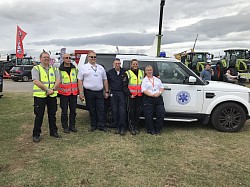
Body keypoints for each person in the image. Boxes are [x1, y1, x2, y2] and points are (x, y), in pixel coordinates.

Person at [32, 51, 61, 143]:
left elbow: (58, 80)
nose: (46, 59)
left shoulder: (55, 69)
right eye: (44, 57)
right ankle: (36, 134)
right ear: (40, 59)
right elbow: (36, 81)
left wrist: (52, 89)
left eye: (48, 57)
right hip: (40, 96)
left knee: (52, 115)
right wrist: (47, 89)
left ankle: (53, 132)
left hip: (52, 95)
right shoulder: (36, 68)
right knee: (39, 115)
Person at [77, 50, 109, 132]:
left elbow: (105, 80)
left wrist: (106, 91)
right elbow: (80, 80)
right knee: (91, 109)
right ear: (88, 57)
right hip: (89, 92)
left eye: (95, 57)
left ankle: (101, 125)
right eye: (91, 57)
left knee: (101, 109)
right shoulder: (84, 67)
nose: (93, 58)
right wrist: (81, 92)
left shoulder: (100, 67)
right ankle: (93, 125)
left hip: (99, 91)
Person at [141, 65, 165, 135]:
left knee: (161, 112)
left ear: (152, 71)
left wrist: (159, 93)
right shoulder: (144, 80)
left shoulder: (157, 79)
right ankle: (150, 130)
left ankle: (158, 129)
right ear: (145, 72)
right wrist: (151, 95)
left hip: (158, 98)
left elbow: (162, 87)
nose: (149, 71)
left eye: (150, 70)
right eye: (148, 70)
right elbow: (144, 90)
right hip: (148, 98)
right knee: (148, 115)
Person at [58, 53, 78, 133]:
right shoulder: (59, 70)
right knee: (64, 111)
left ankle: (72, 126)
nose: (68, 59)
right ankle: (65, 127)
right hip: (64, 94)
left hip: (73, 93)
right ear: (63, 59)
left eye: (69, 57)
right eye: (66, 58)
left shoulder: (74, 69)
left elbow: (78, 80)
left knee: (73, 110)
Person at [123, 59, 144, 135]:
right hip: (131, 96)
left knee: (138, 112)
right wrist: (129, 94)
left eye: (136, 64)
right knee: (131, 112)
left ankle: (136, 126)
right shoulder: (127, 73)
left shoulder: (142, 72)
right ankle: (131, 127)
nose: (135, 65)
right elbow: (124, 86)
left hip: (139, 96)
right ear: (131, 65)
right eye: (133, 64)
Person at [107, 58, 126, 135]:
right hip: (113, 93)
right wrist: (107, 91)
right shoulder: (110, 72)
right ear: (113, 64)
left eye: (119, 63)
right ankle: (117, 127)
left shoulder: (124, 72)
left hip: (122, 93)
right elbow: (107, 82)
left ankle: (123, 127)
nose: (117, 65)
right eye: (116, 63)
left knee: (122, 111)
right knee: (115, 110)